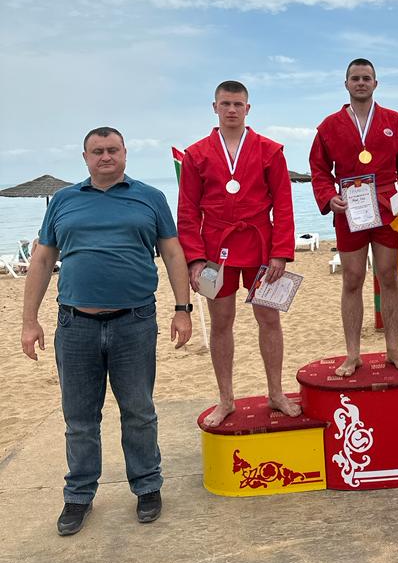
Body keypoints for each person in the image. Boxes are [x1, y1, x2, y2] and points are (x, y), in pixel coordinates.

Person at [20, 127, 193, 536]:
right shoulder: (63, 201)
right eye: (97, 151)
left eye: (112, 149)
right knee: (79, 418)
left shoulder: (150, 197)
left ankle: (147, 487)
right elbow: (42, 259)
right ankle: (79, 495)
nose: (105, 156)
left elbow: (172, 252)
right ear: (85, 158)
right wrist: (29, 320)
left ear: (125, 153)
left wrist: (182, 309)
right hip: (75, 325)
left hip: (134, 322)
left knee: (139, 412)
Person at [177, 80, 299, 426]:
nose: (232, 110)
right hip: (216, 250)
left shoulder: (270, 150)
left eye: (238, 104)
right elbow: (187, 211)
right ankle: (226, 398)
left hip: (261, 245)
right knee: (221, 323)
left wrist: (280, 252)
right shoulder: (196, 154)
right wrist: (195, 259)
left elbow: (284, 205)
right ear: (215, 107)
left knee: (269, 320)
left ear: (248, 108)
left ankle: (276, 393)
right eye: (225, 104)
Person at [310, 58, 398, 377]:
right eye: (355, 78)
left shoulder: (396, 121)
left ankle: (393, 348)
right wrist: (328, 197)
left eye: (366, 78)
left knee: (388, 276)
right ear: (346, 84)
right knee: (352, 278)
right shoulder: (328, 126)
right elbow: (319, 169)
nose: (361, 83)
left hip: (387, 207)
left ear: (376, 83)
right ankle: (353, 354)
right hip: (349, 209)